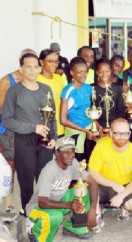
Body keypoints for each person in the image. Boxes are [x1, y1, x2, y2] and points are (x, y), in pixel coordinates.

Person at [3, 53, 57, 216]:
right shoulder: (14, 91)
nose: (32, 70)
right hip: (23, 141)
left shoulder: (46, 90)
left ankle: (43, 209)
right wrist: (33, 128)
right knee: (26, 181)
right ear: (21, 68)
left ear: (39, 68)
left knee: (44, 178)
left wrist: (54, 138)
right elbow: (7, 120)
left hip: (45, 141)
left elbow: (52, 117)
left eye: (35, 66)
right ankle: (28, 211)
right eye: (28, 66)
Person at [26, 137, 99, 241]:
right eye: (66, 152)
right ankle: (36, 234)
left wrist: (93, 208)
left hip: (59, 201)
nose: (71, 155)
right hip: (37, 207)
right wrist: (69, 205)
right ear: (57, 153)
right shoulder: (49, 170)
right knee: (56, 216)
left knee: (84, 192)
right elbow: (42, 202)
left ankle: (72, 228)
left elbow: (93, 182)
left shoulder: (73, 163)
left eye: (72, 151)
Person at [0, 48, 36, 213]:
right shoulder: (7, 81)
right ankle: (7, 204)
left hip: (31, 130)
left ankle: (26, 203)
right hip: (11, 131)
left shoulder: (36, 80)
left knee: (28, 166)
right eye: (28, 65)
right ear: (21, 64)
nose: (32, 69)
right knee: (11, 166)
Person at [88, 118, 132, 221]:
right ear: (111, 133)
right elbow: (92, 171)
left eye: (125, 133)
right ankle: (97, 217)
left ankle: (122, 206)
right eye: (117, 133)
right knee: (89, 193)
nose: (121, 137)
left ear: (129, 133)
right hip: (103, 184)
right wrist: (112, 184)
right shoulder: (101, 146)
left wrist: (122, 195)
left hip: (125, 186)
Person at [60, 57, 95, 161]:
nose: (83, 75)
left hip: (89, 130)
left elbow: (92, 111)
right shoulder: (68, 90)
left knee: (89, 163)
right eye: (80, 72)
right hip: (74, 132)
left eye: (85, 71)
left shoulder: (88, 88)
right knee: (76, 165)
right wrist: (85, 131)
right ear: (72, 72)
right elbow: (63, 120)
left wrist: (96, 126)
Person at [37, 49, 66, 136]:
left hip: (60, 127)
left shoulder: (59, 78)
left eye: (56, 61)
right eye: (50, 61)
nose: (54, 64)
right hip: (43, 129)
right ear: (41, 62)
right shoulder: (35, 79)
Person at [93, 58, 125, 134]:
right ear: (97, 72)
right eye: (101, 72)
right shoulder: (91, 88)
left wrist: (115, 126)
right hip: (96, 126)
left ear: (110, 71)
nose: (104, 74)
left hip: (114, 126)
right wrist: (97, 125)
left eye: (107, 71)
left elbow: (120, 111)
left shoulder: (117, 88)